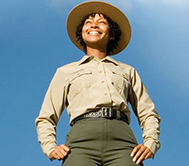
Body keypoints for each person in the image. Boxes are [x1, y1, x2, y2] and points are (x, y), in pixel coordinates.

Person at [35, 1, 160, 166]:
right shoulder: (65, 72)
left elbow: (148, 113)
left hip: (122, 143)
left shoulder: (128, 71)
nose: (94, 25)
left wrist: (151, 143)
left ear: (112, 33)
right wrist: (50, 147)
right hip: (80, 143)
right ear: (83, 32)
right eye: (88, 22)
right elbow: (45, 117)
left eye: (101, 22)